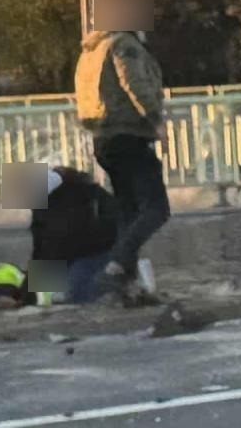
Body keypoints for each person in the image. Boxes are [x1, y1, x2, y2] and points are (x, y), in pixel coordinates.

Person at [75, 26, 170, 303]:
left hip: (103, 138)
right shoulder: (122, 44)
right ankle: (114, 266)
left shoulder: (91, 49)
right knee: (156, 208)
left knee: (128, 213)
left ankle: (124, 287)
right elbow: (133, 82)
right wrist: (155, 119)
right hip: (127, 133)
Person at [28, 166, 119, 304]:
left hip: (94, 254)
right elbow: (42, 248)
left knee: (76, 297)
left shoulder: (86, 196)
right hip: (85, 255)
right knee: (58, 298)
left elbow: (50, 246)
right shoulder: (88, 193)